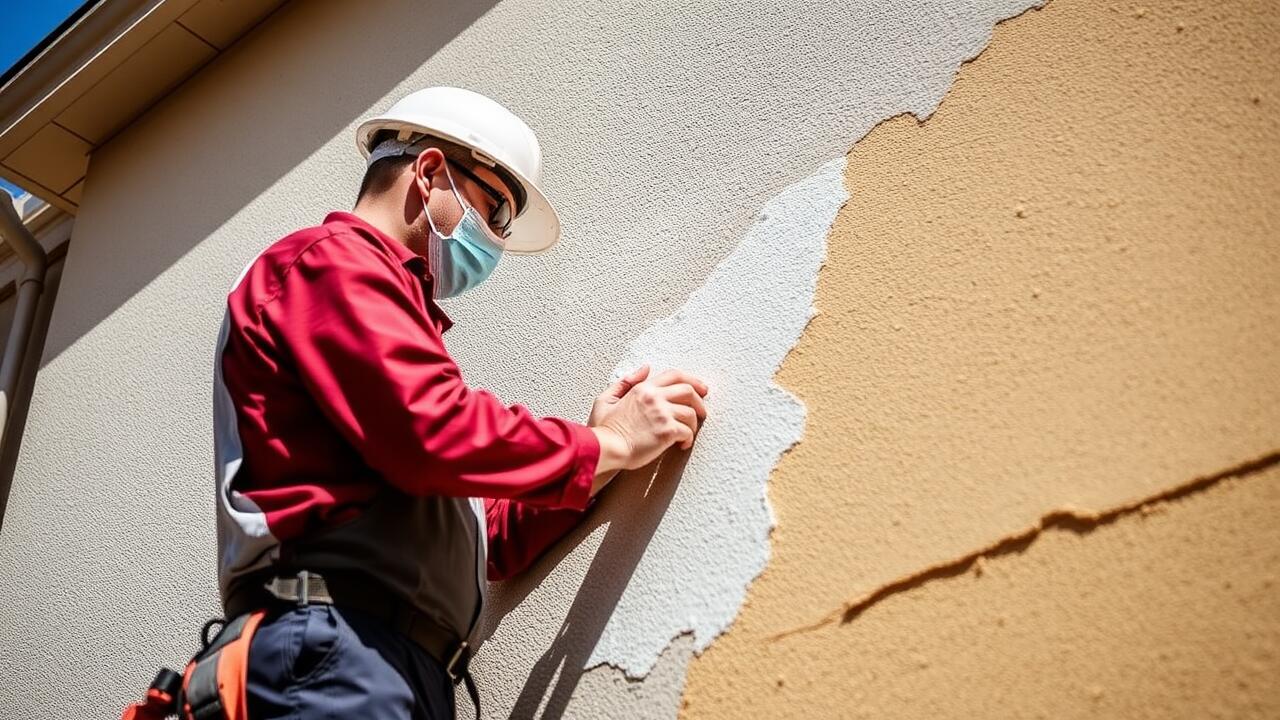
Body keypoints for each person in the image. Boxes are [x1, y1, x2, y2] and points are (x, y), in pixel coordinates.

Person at [211, 86, 709, 719]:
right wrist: (609, 443)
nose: (495, 240)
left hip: (380, 662)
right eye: (493, 209)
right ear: (428, 173)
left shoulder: (391, 323)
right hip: (333, 654)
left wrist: (599, 452)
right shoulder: (329, 263)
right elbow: (432, 431)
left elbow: (488, 540)